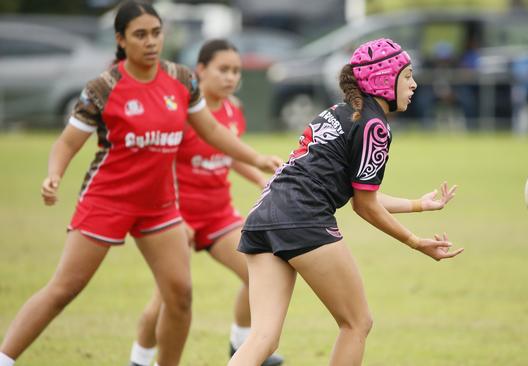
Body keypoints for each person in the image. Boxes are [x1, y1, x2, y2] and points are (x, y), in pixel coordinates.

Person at [0, 2, 281, 366]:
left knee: (179, 296)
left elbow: (211, 130)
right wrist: (54, 173)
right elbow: (67, 142)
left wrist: (255, 159)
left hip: (160, 207)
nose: (151, 42)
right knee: (64, 289)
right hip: (107, 201)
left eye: (156, 32)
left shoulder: (180, 79)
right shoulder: (104, 87)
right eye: (140, 34)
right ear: (120, 39)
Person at [227, 38, 464, 366]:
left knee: (263, 337)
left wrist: (418, 205)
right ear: (384, 79)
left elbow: (362, 195)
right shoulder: (375, 127)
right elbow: (364, 207)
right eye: (407, 76)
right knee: (357, 323)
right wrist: (413, 241)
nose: (414, 84)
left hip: (264, 214)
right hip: (303, 218)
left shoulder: (340, 113)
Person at [128, 39, 283, 366]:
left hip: (217, 216)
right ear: (200, 70)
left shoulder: (233, 109)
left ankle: (241, 344)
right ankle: (140, 360)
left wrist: (258, 177)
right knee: (168, 298)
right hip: (174, 217)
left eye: (236, 71)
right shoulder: (181, 112)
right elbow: (158, 164)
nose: (230, 77)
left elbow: (228, 151)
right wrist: (173, 216)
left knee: (259, 272)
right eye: (222, 69)